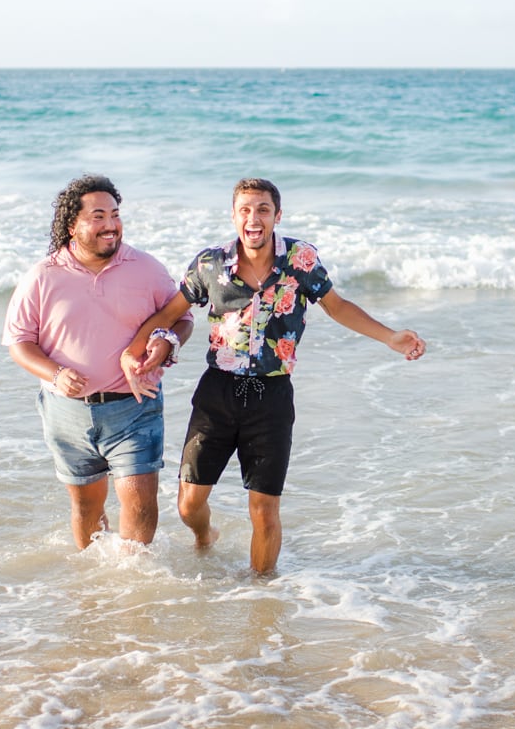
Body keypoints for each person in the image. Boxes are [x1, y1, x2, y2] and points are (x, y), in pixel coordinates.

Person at [122, 177, 425, 574]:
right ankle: (204, 535)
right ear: (234, 217)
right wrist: (134, 349)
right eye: (245, 210)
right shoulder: (210, 264)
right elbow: (168, 313)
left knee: (264, 510)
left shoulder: (301, 261)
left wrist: (390, 338)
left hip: (273, 396)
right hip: (218, 392)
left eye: (263, 209)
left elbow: (337, 307)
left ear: (277, 215)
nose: (254, 218)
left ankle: (262, 597)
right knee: (188, 504)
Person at [3, 174, 192, 550]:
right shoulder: (43, 276)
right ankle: (97, 599)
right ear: (73, 225)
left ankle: (133, 588)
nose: (111, 225)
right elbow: (19, 343)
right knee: (86, 508)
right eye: (99, 216)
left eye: (116, 215)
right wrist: (56, 373)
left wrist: (167, 343)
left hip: (134, 405)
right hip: (66, 412)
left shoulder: (145, 267)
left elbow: (181, 317)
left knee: (140, 505)